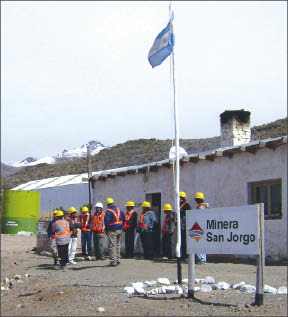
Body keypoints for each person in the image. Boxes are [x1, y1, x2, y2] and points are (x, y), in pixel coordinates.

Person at [104, 197, 125, 267]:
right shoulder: (119, 210)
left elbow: (107, 222)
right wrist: (122, 227)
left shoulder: (108, 211)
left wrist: (107, 230)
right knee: (117, 244)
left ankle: (113, 261)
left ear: (108, 204)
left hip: (112, 230)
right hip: (120, 229)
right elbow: (124, 219)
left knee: (112, 245)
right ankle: (118, 260)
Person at [194, 192, 208, 264]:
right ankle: (202, 258)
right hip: (202, 226)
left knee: (199, 243)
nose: (196, 200)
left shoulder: (201, 207)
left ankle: (202, 259)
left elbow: (200, 217)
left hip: (200, 227)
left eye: (196, 199)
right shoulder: (204, 206)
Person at [179, 191, 191, 261]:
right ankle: (182, 255)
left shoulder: (187, 205)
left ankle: (186, 256)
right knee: (181, 241)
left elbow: (187, 215)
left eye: (180, 198)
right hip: (181, 225)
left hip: (185, 226)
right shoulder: (179, 205)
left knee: (185, 241)